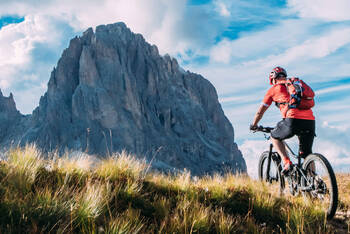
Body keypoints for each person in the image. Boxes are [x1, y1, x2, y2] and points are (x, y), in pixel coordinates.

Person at [250, 66, 316, 175]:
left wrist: (254, 124)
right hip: (310, 121)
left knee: (274, 136)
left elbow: (260, 112)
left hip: (292, 120)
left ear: (273, 79)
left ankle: (286, 162)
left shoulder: (273, 90)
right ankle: (314, 181)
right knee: (307, 154)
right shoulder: (295, 85)